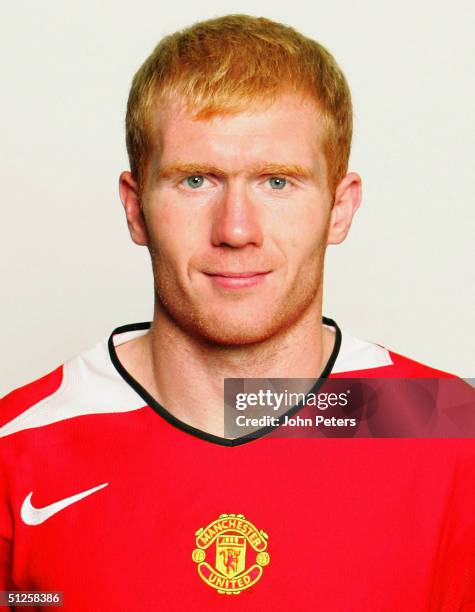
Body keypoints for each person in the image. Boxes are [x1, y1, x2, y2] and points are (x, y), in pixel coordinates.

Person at [1, 14, 474, 611]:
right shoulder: (16, 448)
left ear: (339, 209)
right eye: (196, 180)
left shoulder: (450, 430)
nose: (236, 229)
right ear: (136, 208)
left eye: (277, 183)